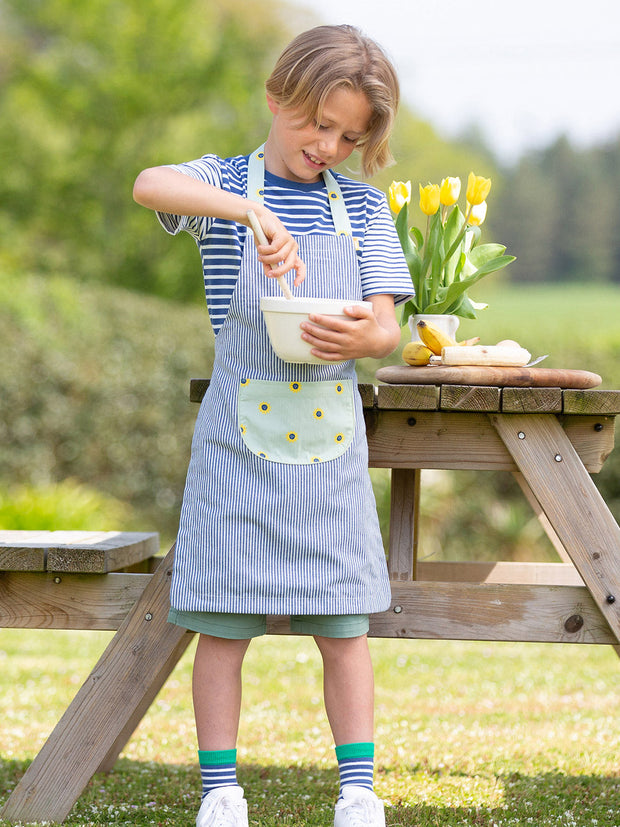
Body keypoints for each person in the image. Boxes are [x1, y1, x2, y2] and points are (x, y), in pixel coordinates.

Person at [133, 23, 413, 827]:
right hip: (237, 448)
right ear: (275, 95)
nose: (327, 145)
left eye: (347, 135)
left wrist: (367, 337)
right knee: (221, 624)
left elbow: (386, 327)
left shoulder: (362, 206)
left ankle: (357, 788)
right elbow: (151, 183)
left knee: (344, 624)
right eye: (316, 123)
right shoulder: (222, 184)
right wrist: (246, 211)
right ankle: (221, 790)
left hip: (327, 450)